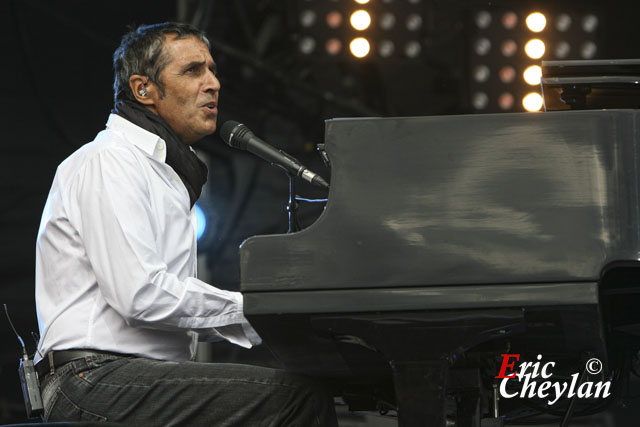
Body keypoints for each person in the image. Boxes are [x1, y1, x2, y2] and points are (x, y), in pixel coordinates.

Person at [34, 22, 338, 426]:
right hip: (92, 379)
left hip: (128, 377)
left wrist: (270, 317)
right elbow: (142, 295)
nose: (213, 83)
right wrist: (260, 309)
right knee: (296, 400)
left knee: (294, 389)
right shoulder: (110, 161)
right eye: (193, 71)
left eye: (213, 70)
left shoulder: (162, 173)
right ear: (144, 89)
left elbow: (165, 306)